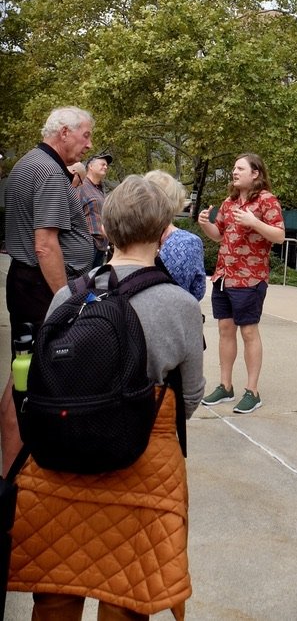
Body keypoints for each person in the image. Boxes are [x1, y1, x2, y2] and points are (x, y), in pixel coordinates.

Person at [8, 174, 206, 621]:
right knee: (128, 597)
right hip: (141, 474)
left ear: (105, 230)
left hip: (60, 464)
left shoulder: (66, 296)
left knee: (55, 593)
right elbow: (188, 400)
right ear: (161, 232)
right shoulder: (179, 304)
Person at [1, 106, 94, 476]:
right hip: (42, 289)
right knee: (34, 383)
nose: (89, 144)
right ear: (65, 131)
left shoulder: (30, 164)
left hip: (26, 283)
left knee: (19, 377)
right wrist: (65, 301)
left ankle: (10, 473)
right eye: (85, 135)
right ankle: (21, 477)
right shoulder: (50, 173)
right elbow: (45, 246)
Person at [198, 152, 284, 414]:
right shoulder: (230, 202)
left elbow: (279, 236)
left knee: (248, 332)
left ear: (255, 173)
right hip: (224, 276)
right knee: (225, 329)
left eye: (240, 169)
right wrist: (205, 225)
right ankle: (225, 386)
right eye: (233, 169)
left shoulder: (267, 201)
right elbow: (219, 236)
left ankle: (252, 391)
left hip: (250, 278)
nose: (234, 172)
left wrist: (254, 222)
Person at [145, 170, 207, 300]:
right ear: (176, 200)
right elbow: (197, 292)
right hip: (175, 314)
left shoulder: (129, 236)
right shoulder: (189, 242)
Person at [79, 151, 112, 268]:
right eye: (102, 164)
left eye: (106, 165)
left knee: (93, 282)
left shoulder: (100, 190)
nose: (106, 166)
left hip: (102, 246)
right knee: (82, 283)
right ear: (91, 166)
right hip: (87, 245)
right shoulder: (80, 186)